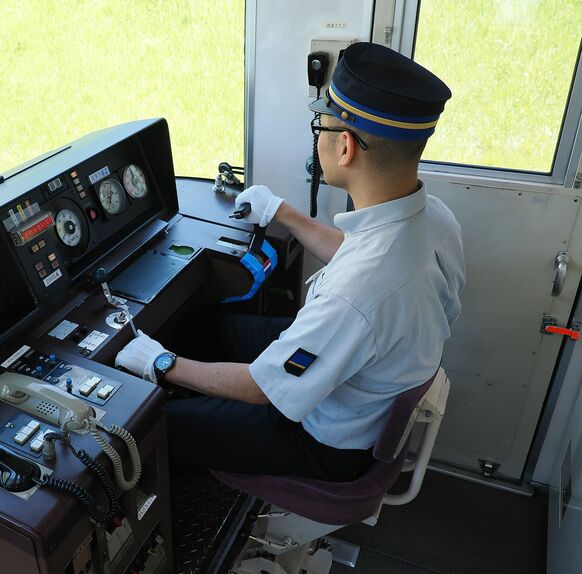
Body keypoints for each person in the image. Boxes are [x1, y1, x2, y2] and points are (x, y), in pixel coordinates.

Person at [115, 42, 465, 482]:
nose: (316, 133)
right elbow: (359, 256)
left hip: (323, 437)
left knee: (149, 428)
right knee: (206, 329)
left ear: (345, 149)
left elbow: (265, 388)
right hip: (358, 379)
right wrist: (280, 210)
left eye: (321, 123)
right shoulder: (434, 219)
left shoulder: (358, 293)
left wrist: (163, 364)